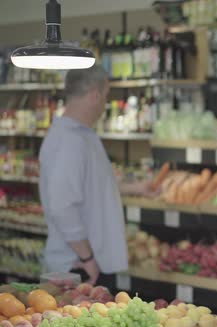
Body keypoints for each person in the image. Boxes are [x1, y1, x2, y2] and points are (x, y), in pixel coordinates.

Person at [39, 66, 158, 286]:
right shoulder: (70, 142)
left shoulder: (82, 136)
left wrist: (137, 188)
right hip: (78, 268)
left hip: (89, 263)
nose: (105, 104)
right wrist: (88, 257)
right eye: (105, 96)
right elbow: (63, 206)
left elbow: (92, 186)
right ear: (95, 95)